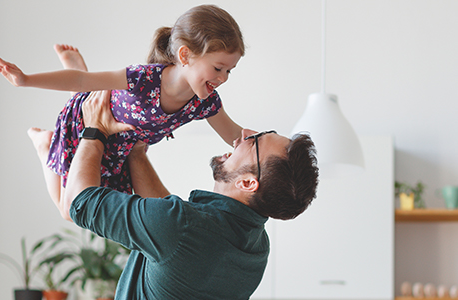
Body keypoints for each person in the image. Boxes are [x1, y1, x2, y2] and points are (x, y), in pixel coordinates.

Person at [53, 90, 319, 299]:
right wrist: (135, 152)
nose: (244, 134)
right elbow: (171, 230)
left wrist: (94, 130)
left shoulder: (182, 226)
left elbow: (81, 203)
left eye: (255, 141)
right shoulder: (255, 247)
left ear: (248, 183)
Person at [0, 4, 245, 205]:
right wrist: (24, 79)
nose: (222, 78)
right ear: (185, 55)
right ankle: (44, 145)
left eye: (229, 71)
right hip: (87, 125)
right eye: (218, 68)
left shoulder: (205, 103)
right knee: (69, 210)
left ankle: (77, 77)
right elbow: (82, 80)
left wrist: (280, 147)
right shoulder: (143, 79)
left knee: (87, 208)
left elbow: (236, 136)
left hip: (119, 151)